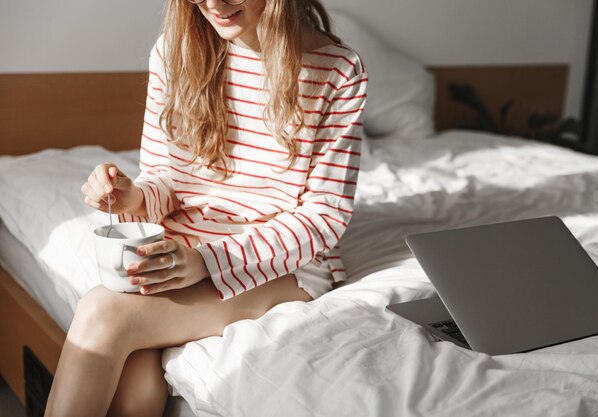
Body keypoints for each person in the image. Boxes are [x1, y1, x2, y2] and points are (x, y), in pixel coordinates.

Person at [44, 0, 367, 415]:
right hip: (180, 249)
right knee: (133, 375)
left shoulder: (338, 71)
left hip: (284, 267)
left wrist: (206, 262)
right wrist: (135, 198)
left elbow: (323, 218)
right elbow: (167, 177)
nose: (213, 4)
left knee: (102, 311)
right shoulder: (174, 51)